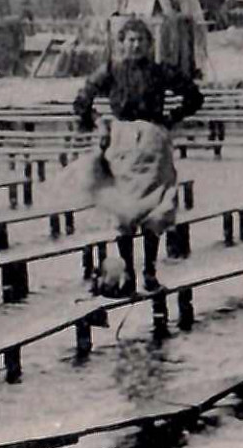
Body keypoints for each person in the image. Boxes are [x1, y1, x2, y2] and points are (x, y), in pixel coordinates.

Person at [71, 17, 204, 296]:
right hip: (122, 144)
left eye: (141, 40)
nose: (136, 45)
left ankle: (150, 272)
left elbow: (193, 96)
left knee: (153, 209)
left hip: (153, 144)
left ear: (149, 44)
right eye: (130, 40)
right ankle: (128, 274)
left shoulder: (161, 71)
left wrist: (170, 117)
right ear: (121, 44)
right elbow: (82, 100)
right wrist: (99, 122)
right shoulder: (111, 70)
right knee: (124, 210)